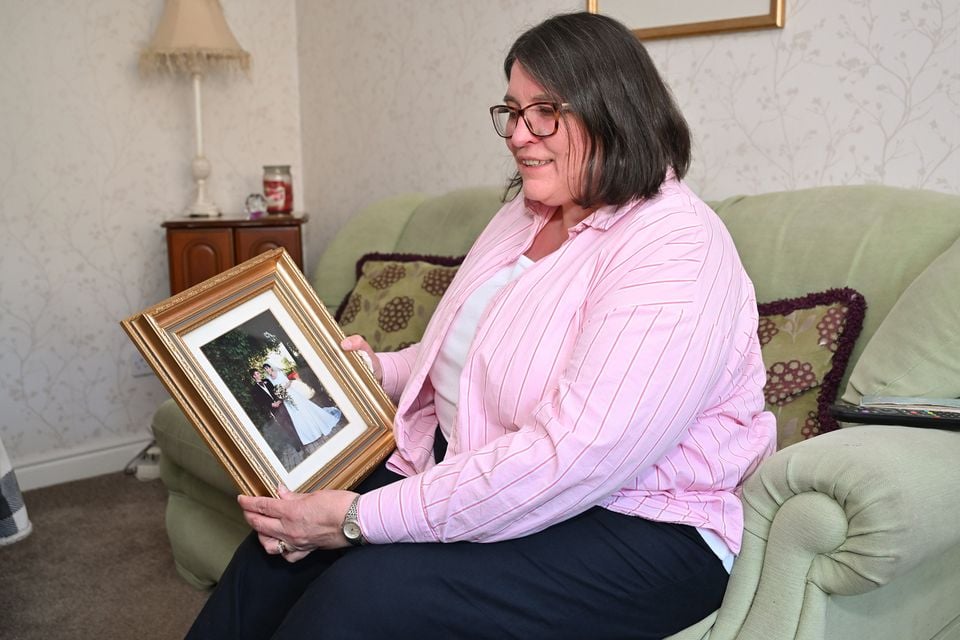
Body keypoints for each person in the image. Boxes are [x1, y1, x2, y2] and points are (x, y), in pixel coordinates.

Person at [188, 12, 775, 640]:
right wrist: (367, 371)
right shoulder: (523, 214)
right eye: (512, 111)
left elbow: (569, 458)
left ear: (613, 109)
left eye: (542, 112)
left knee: (365, 595)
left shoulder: (675, 245)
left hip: (639, 524)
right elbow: (461, 353)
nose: (518, 136)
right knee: (277, 547)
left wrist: (361, 517)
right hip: (490, 465)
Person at [263, 364, 342, 446]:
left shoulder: (279, 372)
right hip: (285, 398)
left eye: (267, 367)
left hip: (292, 393)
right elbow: (274, 390)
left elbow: (289, 382)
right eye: (265, 369)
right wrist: (280, 394)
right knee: (296, 414)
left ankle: (317, 428)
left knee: (304, 409)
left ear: (270, 367)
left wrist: (283, 389)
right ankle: (310, 435)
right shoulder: (269, 379)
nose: (267, 369)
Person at [249, 368, 301, 453]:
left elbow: (276, 390)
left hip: (280, 404)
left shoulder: (266, 381)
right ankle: (296, 444)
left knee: (291, 421)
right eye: (257, 374)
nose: (259, 374)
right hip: (273, 409)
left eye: (258, 373)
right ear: (254, 376)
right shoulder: (254, 389)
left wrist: (279, 400)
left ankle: (302, 439)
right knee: (285, 426)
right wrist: (271, 404)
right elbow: (259, 401)